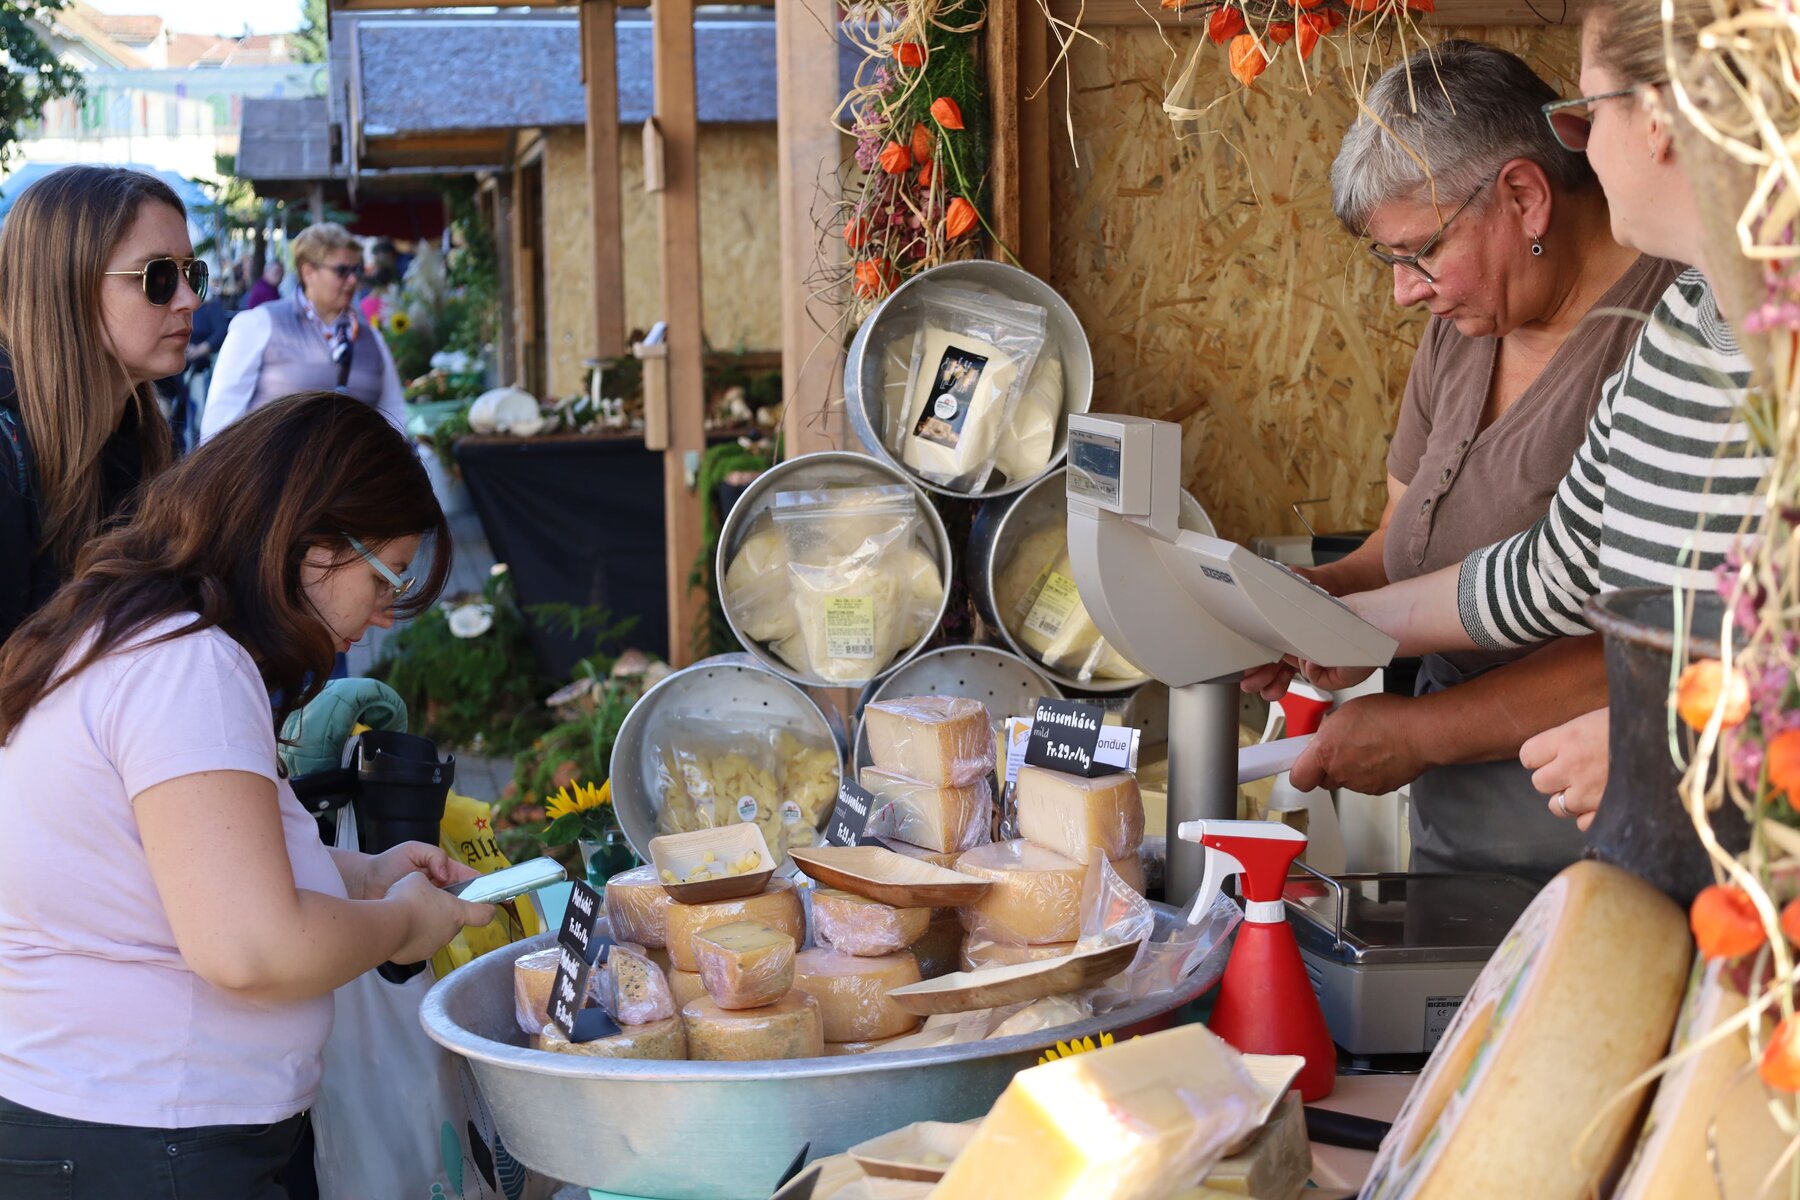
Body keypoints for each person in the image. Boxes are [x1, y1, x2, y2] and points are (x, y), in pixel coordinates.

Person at [1254, 0, 1763, 842]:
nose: (1579, 146)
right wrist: (1340, 621)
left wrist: (1666, 747)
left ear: (1668, 122)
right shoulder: (1684, 319)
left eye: (1589, 113)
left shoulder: (1746, 333)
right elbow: (1558, 567)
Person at [0, 391, 493, 1197]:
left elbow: (184, 872)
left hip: (124, 1128)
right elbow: (252, 947)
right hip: (143, 1138)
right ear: (316, 545)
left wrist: (363, 875)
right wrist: (404, 923)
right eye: (387, 577)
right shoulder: (188, 666)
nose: (382, 617)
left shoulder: (149, 636)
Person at [0, 165, 196, 647]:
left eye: (192, 273)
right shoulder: (8, 453)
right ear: (67, 284)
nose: (189, 299)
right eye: (160, 276)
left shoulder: (144, 435)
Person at [201, 224, 406, 441]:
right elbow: (220, 420)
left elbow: (395, 415)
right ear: (308, 272)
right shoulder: (260, 324)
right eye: (342, 271)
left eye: (356, 270)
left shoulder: (372, 337)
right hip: (274, 472)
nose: (353, 280)